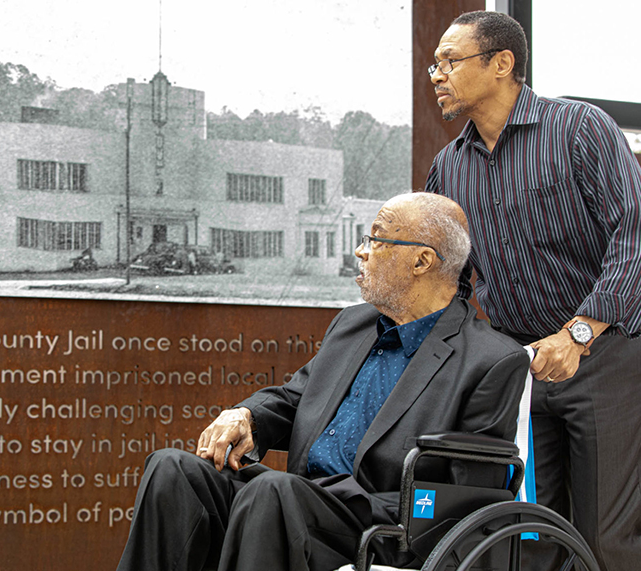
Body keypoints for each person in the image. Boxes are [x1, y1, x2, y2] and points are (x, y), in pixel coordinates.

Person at [116, 193, 530, 571]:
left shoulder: (491, 360)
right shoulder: (354, 324)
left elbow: (471, 498)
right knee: (173, 469)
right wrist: (246, 415)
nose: (360, 251)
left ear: (422, 261)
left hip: (381, 521)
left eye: (376, 240)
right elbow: (296, 398)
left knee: (274, 492)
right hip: (297, 500)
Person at [424, 11, 641, 571]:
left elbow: (633, 233)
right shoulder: (447, 168)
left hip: (604, 352)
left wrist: (580, 331)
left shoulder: (580, 129)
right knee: (527, 533)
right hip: (517, 364)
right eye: (434, 64)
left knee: (601, 539)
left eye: (450, 61)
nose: (437, 74)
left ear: (502, 64)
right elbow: (452, 280)